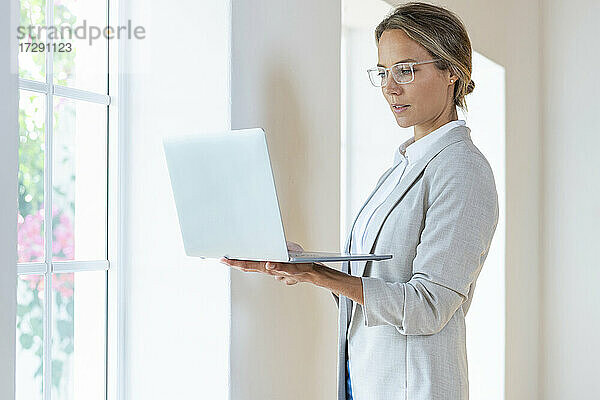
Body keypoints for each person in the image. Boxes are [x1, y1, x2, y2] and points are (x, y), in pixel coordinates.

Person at [219, 2, 499, 399]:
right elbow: (376, 284)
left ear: (451, 71)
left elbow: (429, 306)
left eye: (406, 70)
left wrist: (320, 275)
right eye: (383, 72)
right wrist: (305, 264)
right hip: (365, 380)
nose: (390, 87)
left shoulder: (463, 170)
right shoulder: (402, 166)